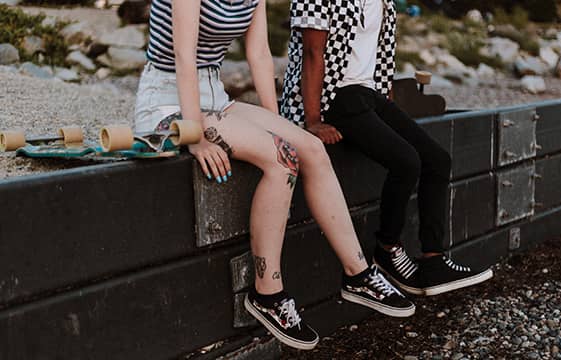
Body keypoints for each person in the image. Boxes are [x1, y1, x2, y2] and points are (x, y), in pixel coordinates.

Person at [135, 0, 415, 351]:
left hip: (215, 96)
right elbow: (184, 58)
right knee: (282, 160)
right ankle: (267, 292)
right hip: (167, 100)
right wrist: (195, 136)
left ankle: (359, 274)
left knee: (310, 149)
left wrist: (277, 122)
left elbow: (261, 55)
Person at [281, 0, 493, 296]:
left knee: (436, 160)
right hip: (333, 97)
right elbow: (312, 52)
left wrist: (390, 114)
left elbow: (380, 57)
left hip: (368, 95)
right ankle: (387, 249)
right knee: (406, 161)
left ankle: (433, 262)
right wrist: (313, 121)